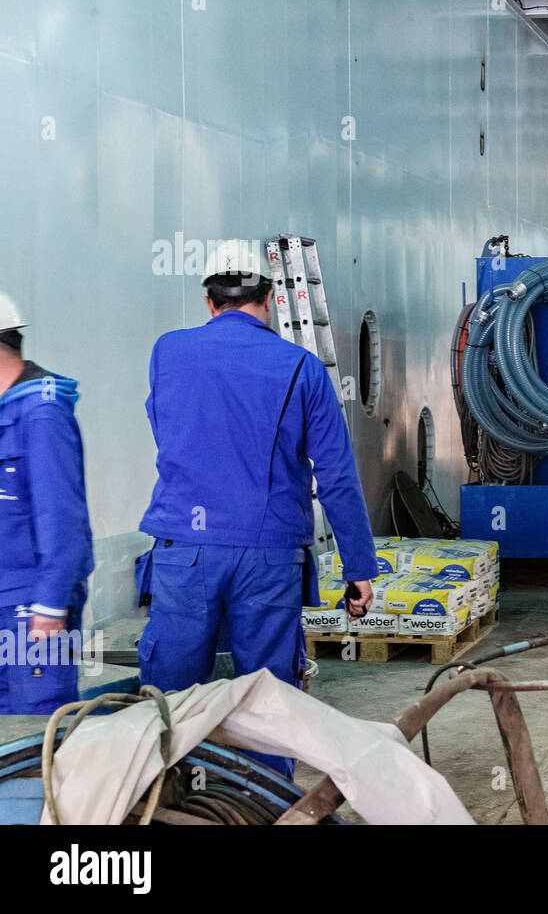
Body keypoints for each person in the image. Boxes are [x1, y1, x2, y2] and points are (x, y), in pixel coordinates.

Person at [136, 240, 377, 775]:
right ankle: (267, 807)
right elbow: (335, 475)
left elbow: (169, 433)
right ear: (268, 297)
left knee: (170, 704)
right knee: (269, 700)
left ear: (208, 300)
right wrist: (359, 568)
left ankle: (166, 801)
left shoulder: (166, 353)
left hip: (184, 555)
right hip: (268, 560)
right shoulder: (302, 368)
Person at [0, 292, 94, 713]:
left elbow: (64, 520)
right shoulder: (9, 413)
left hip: (32, 611)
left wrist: (51, 606)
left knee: (33, 735)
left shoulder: (42, 414)